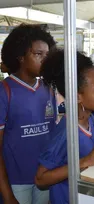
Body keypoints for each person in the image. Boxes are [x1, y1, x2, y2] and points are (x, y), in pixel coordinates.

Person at [35, 49, 94, 204]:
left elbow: (87, 146)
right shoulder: (67, 130)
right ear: (78, 96)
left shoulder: (89, 119)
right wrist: (86, 161)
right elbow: (40, 178)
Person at [0, 24, 56, 204]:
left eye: (47, 55)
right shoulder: (5, 91)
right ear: (20, 56)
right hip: (16, 182)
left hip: (44, 176)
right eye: (38, 54)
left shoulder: (48, 89)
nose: (45, 60)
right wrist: (7, 194)